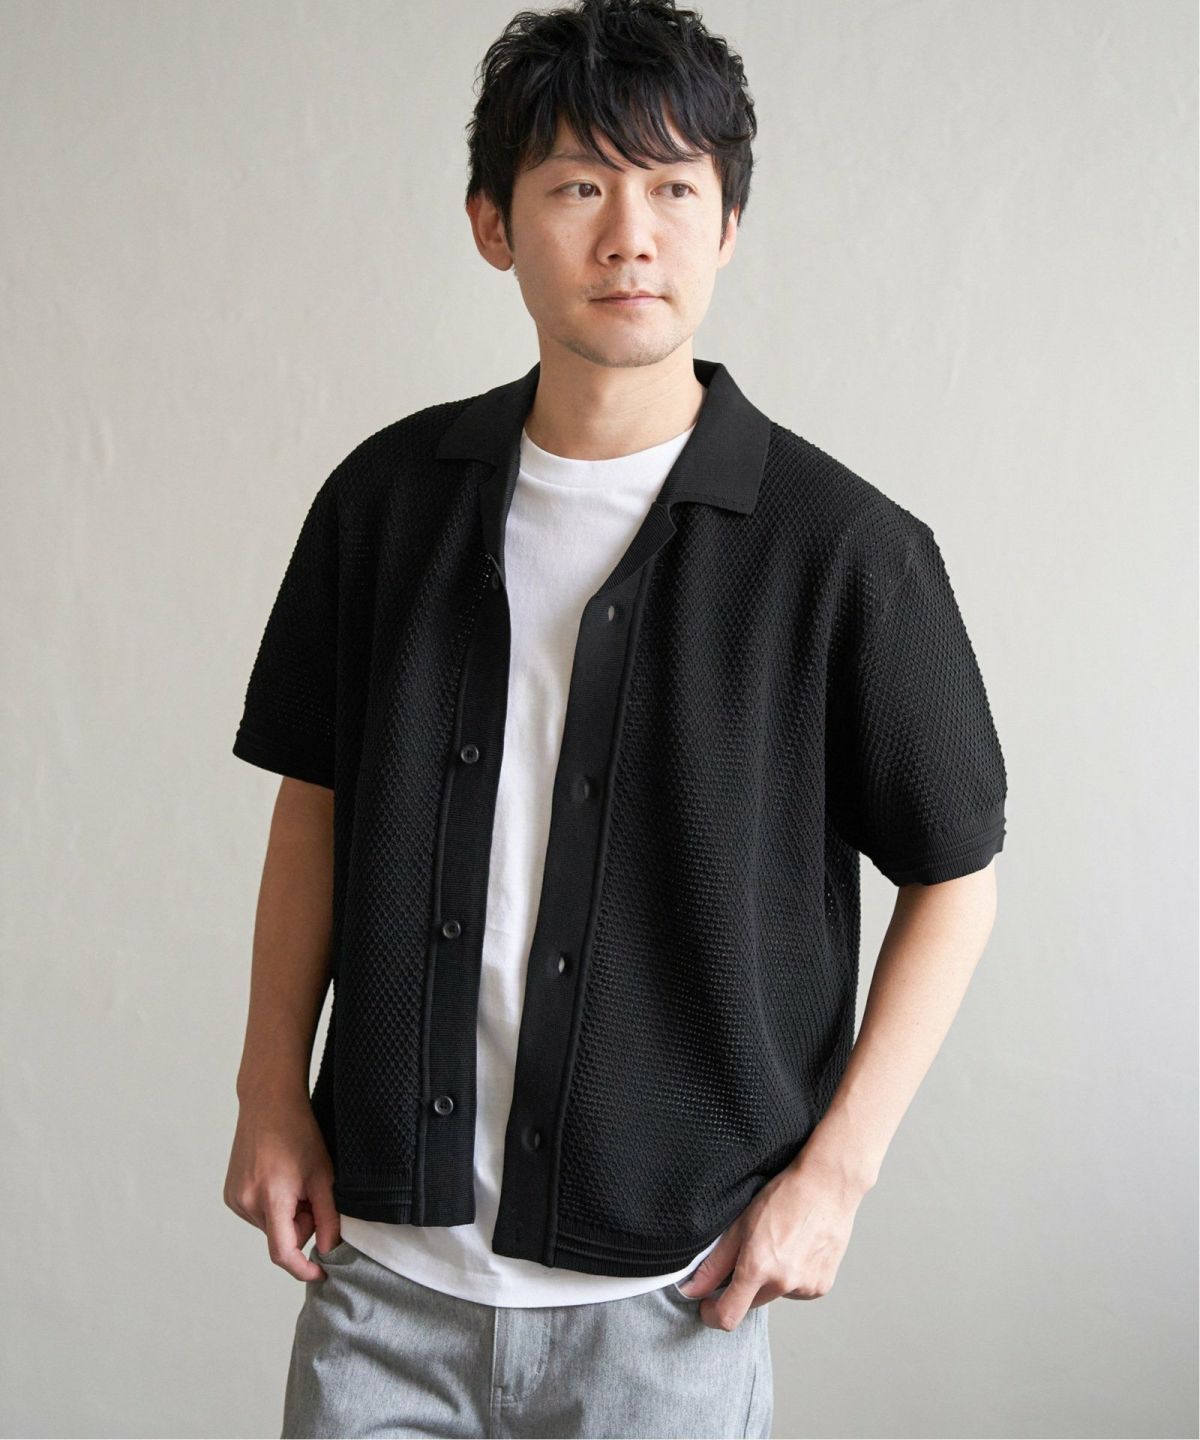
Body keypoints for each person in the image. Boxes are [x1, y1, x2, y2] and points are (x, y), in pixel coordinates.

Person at [224, 1, 1008, 1436]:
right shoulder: (384, 503)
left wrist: (835, 1178)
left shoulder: (845, 551)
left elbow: (957, 878)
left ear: (728, 227)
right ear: (494, 224)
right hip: (382, 1286)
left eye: (674, 190)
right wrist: (270, 1086)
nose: (629, 237)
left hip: (669, 1301)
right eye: (579, 186)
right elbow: (314, 802)